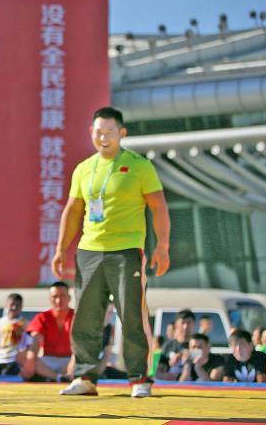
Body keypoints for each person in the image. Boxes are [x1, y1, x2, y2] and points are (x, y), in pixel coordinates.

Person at [53, 106, 171, 399]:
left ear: (122, 133)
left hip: (127, 250)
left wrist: (163, 246)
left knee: (131, 314)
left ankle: (139, 378)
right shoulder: (84, 168)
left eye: (109, 131)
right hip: (89, 251)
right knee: (85, 316)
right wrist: (59, 249)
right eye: (98, 131)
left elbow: (159, 208)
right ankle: (85, 376)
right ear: (90, 133)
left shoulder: (140, 165)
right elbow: (72, 211)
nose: (103, 137)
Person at [23, 282, 74, 383]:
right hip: (47, 361)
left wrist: (73, 363)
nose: (58, 300)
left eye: (62, 296)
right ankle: (58, 378)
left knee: (80, 358)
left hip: (70, 360)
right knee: (24, 357)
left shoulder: (77, 316)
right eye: (54, 296)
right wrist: (30, 361)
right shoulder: (42, 317)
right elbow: (35, 341)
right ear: (49, 299)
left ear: (69, 297)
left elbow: (81, 344)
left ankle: (65, 376)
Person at [0, 293, 30, 376]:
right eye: (12, 304)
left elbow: (28, 345)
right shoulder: (0, 322)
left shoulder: (25, 323)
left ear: (21, 307)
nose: (14, 308)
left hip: (14, 360)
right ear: (7, 305)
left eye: (17, 305)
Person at [156, 309, 196, 381]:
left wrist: (184, 355)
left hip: (195, 385)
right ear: (176, 325)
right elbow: (159, 369)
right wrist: (164, 375)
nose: (185, 326)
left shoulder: (197, 343)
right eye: (182, 323)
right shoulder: (168, 345)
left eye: (189, 323)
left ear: (194, 324)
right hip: (172, 385)